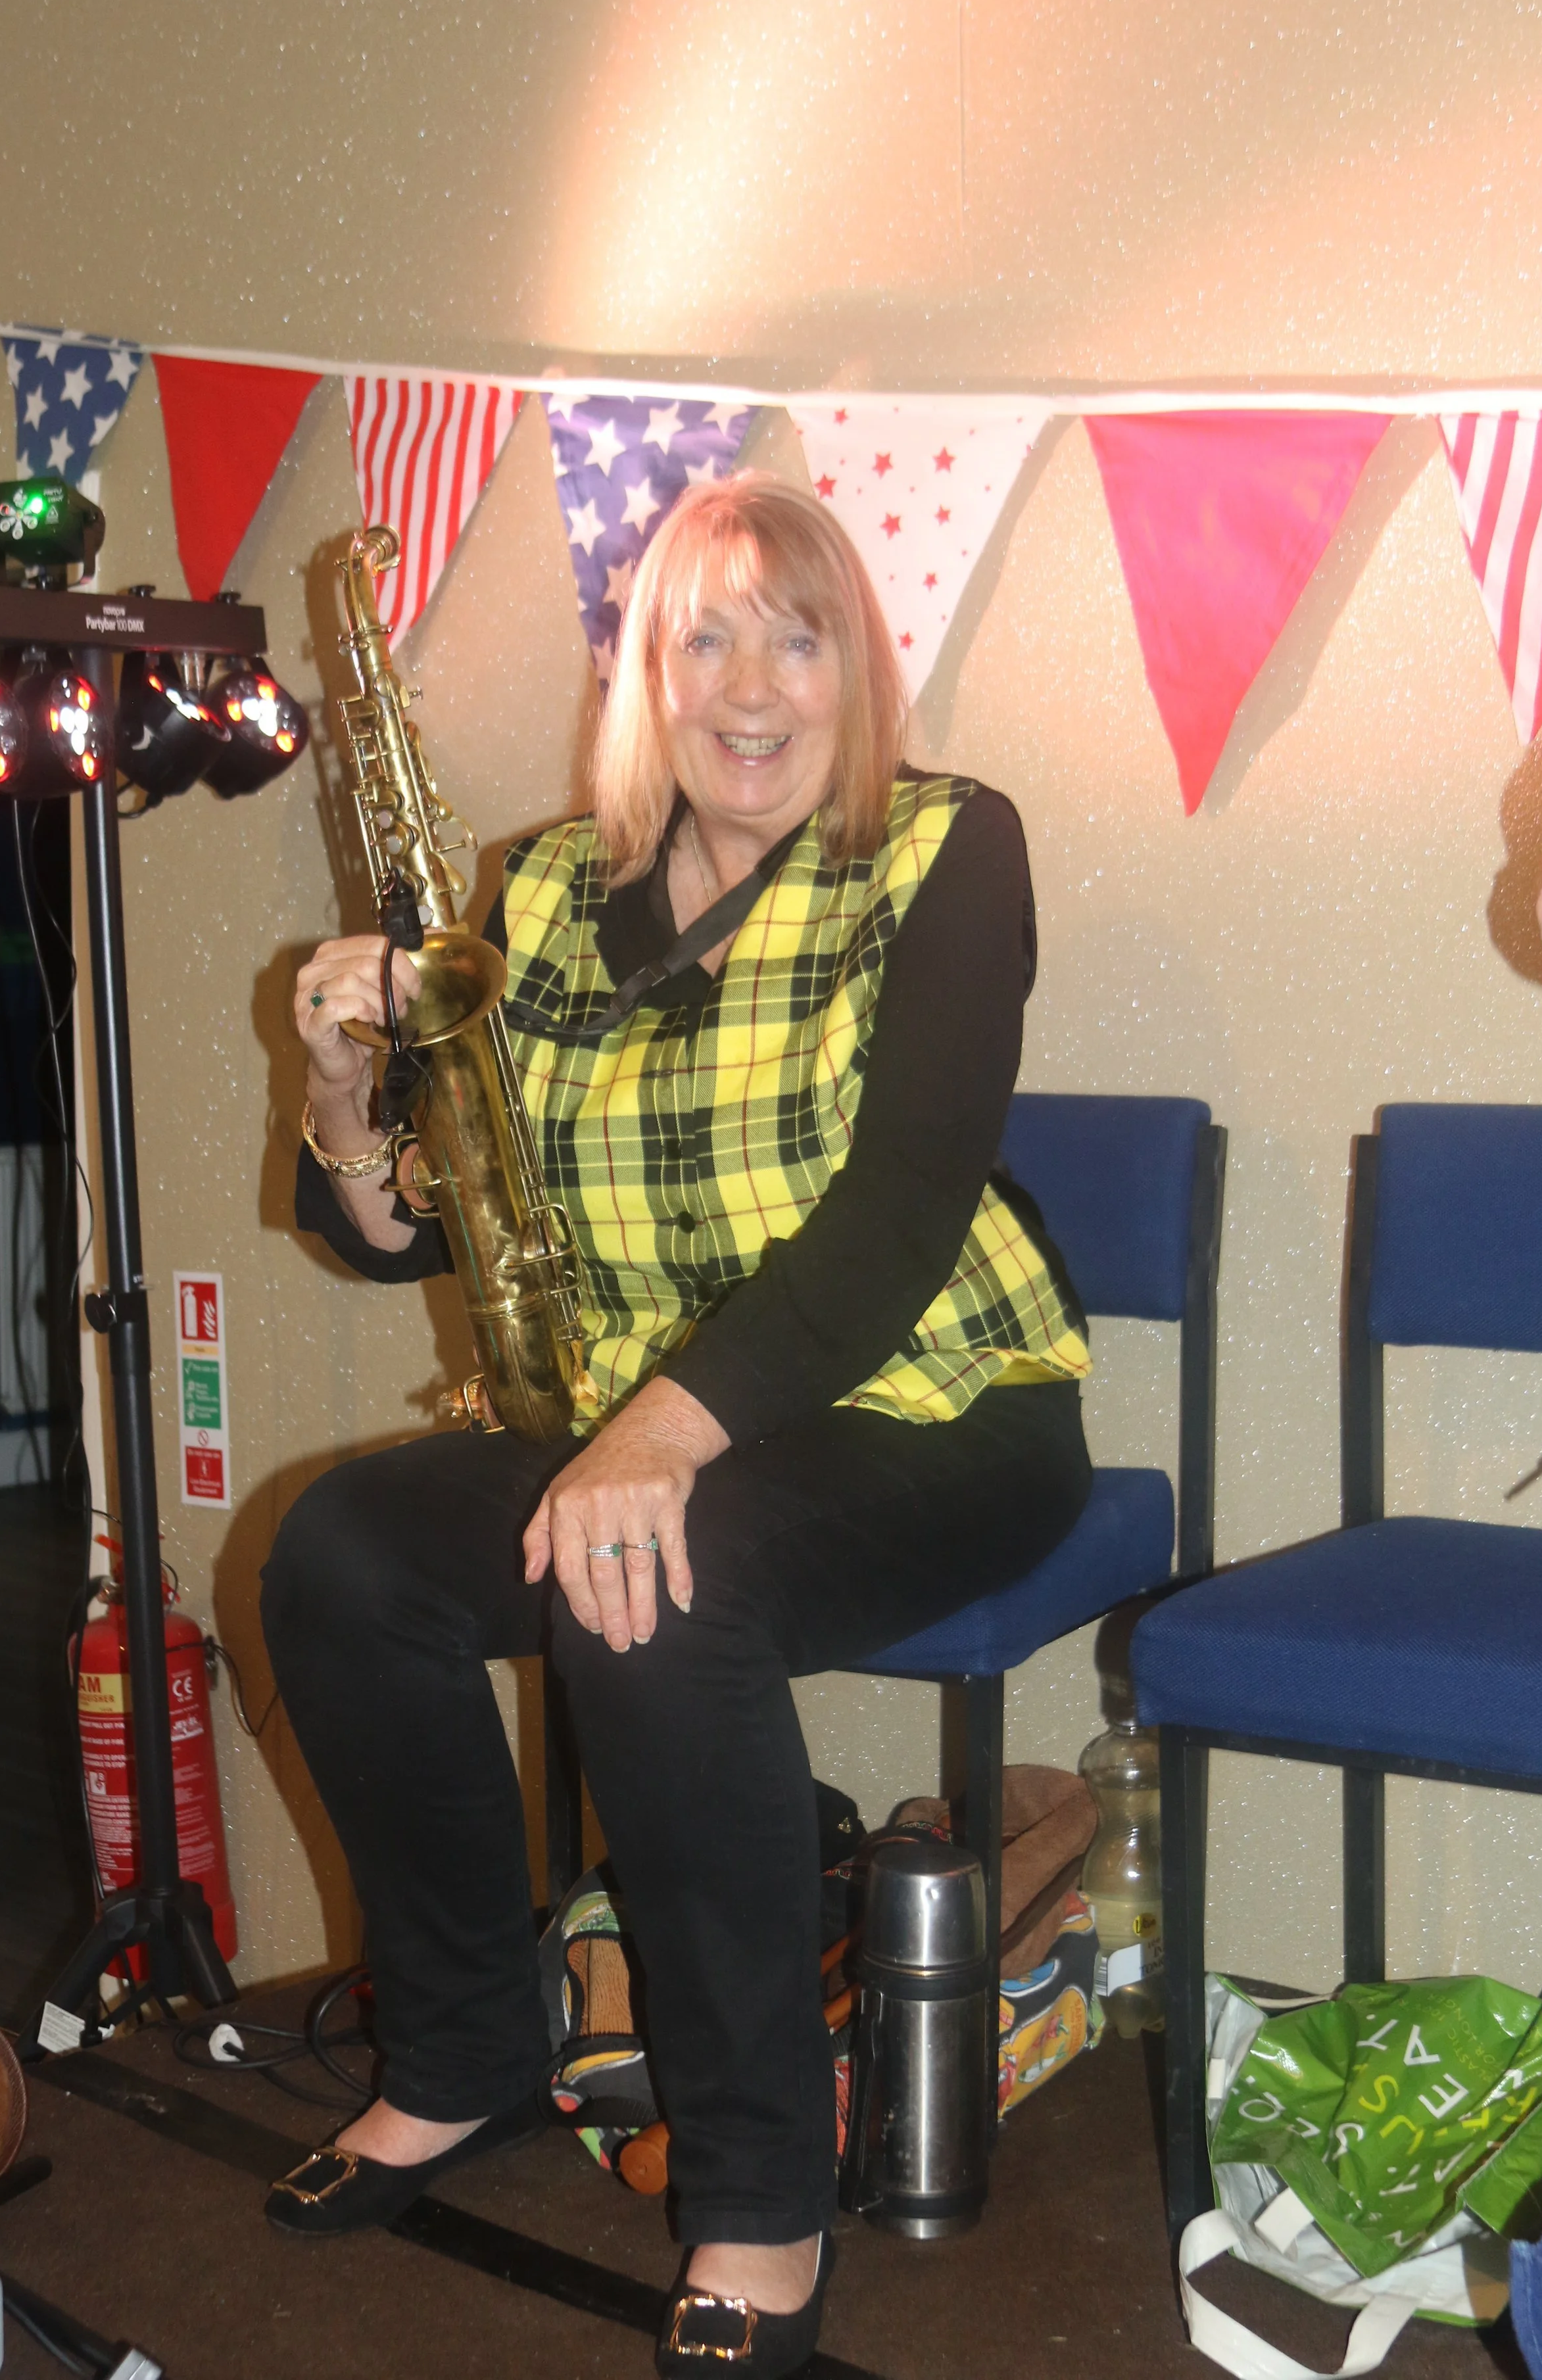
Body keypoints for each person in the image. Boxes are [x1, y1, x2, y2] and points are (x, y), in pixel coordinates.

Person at [261, 472, 1093, 2378]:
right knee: (341, 1553)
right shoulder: (542, 889)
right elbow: (408, 1230)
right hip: (641, 1418)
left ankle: (760, 2182)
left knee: (653, 1569)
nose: (749, 685)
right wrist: (331, 1091)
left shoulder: (946, 850)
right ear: (643, 670)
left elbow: (893, 1227)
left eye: (798, 636)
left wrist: (655, 1437)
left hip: (937, 1397)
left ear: (858, 669)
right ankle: (463, 2049)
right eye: (701, 634)